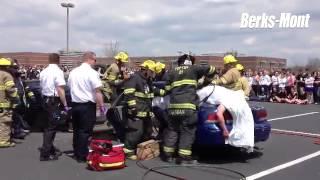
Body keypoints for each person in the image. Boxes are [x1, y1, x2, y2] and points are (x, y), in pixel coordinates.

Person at [162, 54, 215, 164]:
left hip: (173, 108)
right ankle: (183, 157)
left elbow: (167, 89)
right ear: (189, 62)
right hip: (188, 108)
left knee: (172, 130)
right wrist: (207, 79)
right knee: (188, 131)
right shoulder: (194, 69)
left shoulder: (171, 72)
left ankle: (168, 155)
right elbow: (211, 68)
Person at [68, 51, 105, 163]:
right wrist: (102, 105)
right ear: (90, 59)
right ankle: (82, 155)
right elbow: (97, 91)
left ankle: (76, 151)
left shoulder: (73, 72)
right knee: (85, 131)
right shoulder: (92, 73)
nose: (95, 62)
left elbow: (70, 87)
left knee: (77, 129)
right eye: (95, 60)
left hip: (75, 104)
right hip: (87, 105)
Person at [197, 85, 255, 152]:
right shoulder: (230, 100)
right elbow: (219, 114)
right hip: (206, 92)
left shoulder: (230, 94)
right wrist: (224, 130)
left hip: (210, 89)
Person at [122, 60, 157, 160]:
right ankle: (128, 151)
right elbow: (129, 92)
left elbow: (151, 92)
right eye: (151, 71)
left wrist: (166, 91)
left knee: (147, 131)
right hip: (136, 111)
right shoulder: (135, 78)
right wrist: (133, 107)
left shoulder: (147, 80)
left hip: (145, 111)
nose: (153, 74)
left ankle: (140, 150)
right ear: (146, 69)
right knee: (135, 131)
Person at [39, 53, 68, 161]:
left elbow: (41, 87)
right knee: (51, 127)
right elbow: (60, 89)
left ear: (49, 60)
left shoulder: (43, 71)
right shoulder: (58, 72)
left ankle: (49, 148)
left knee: (48, 126)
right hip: (53, 101)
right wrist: (65, 104)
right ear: (58, 60)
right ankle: (45, 154)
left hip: (45, 100)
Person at [0, 58, 20, 148]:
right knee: (5, 122)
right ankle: (4, 141)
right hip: (3, 103)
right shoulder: (7, 75)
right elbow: (10, 89)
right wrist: (16, 98)